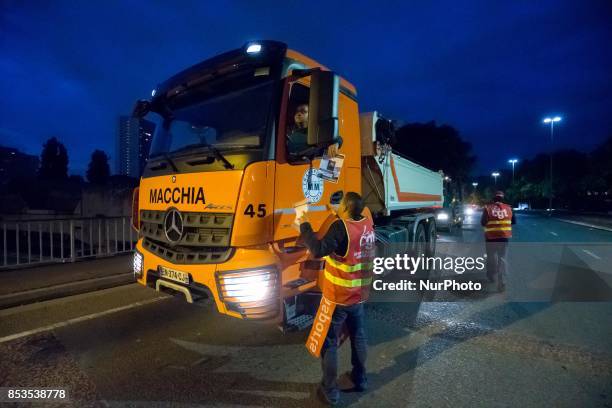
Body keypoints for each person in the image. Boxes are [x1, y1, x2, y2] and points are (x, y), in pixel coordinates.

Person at [297, 192, 375, 405]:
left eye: (339, 204)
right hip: (359, 294)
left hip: (338, 297)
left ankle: (330, 392)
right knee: (358, 335)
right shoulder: (366, 223)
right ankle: (360, 379)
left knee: (329, 343)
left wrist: (304, 224)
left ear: (347, 208)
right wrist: (335, 214)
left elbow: (317, 249)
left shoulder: (340, 227)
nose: (336, 206)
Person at [480, 191, 516, 292]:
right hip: (504, 238)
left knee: (491, 257)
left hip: (491, 238)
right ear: (502, 199)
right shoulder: (509, 208)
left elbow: (483, 223)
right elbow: (513, 221)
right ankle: (502, 283)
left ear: (493, 199)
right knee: (502, 259)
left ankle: (491, 275)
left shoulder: (487, 208)